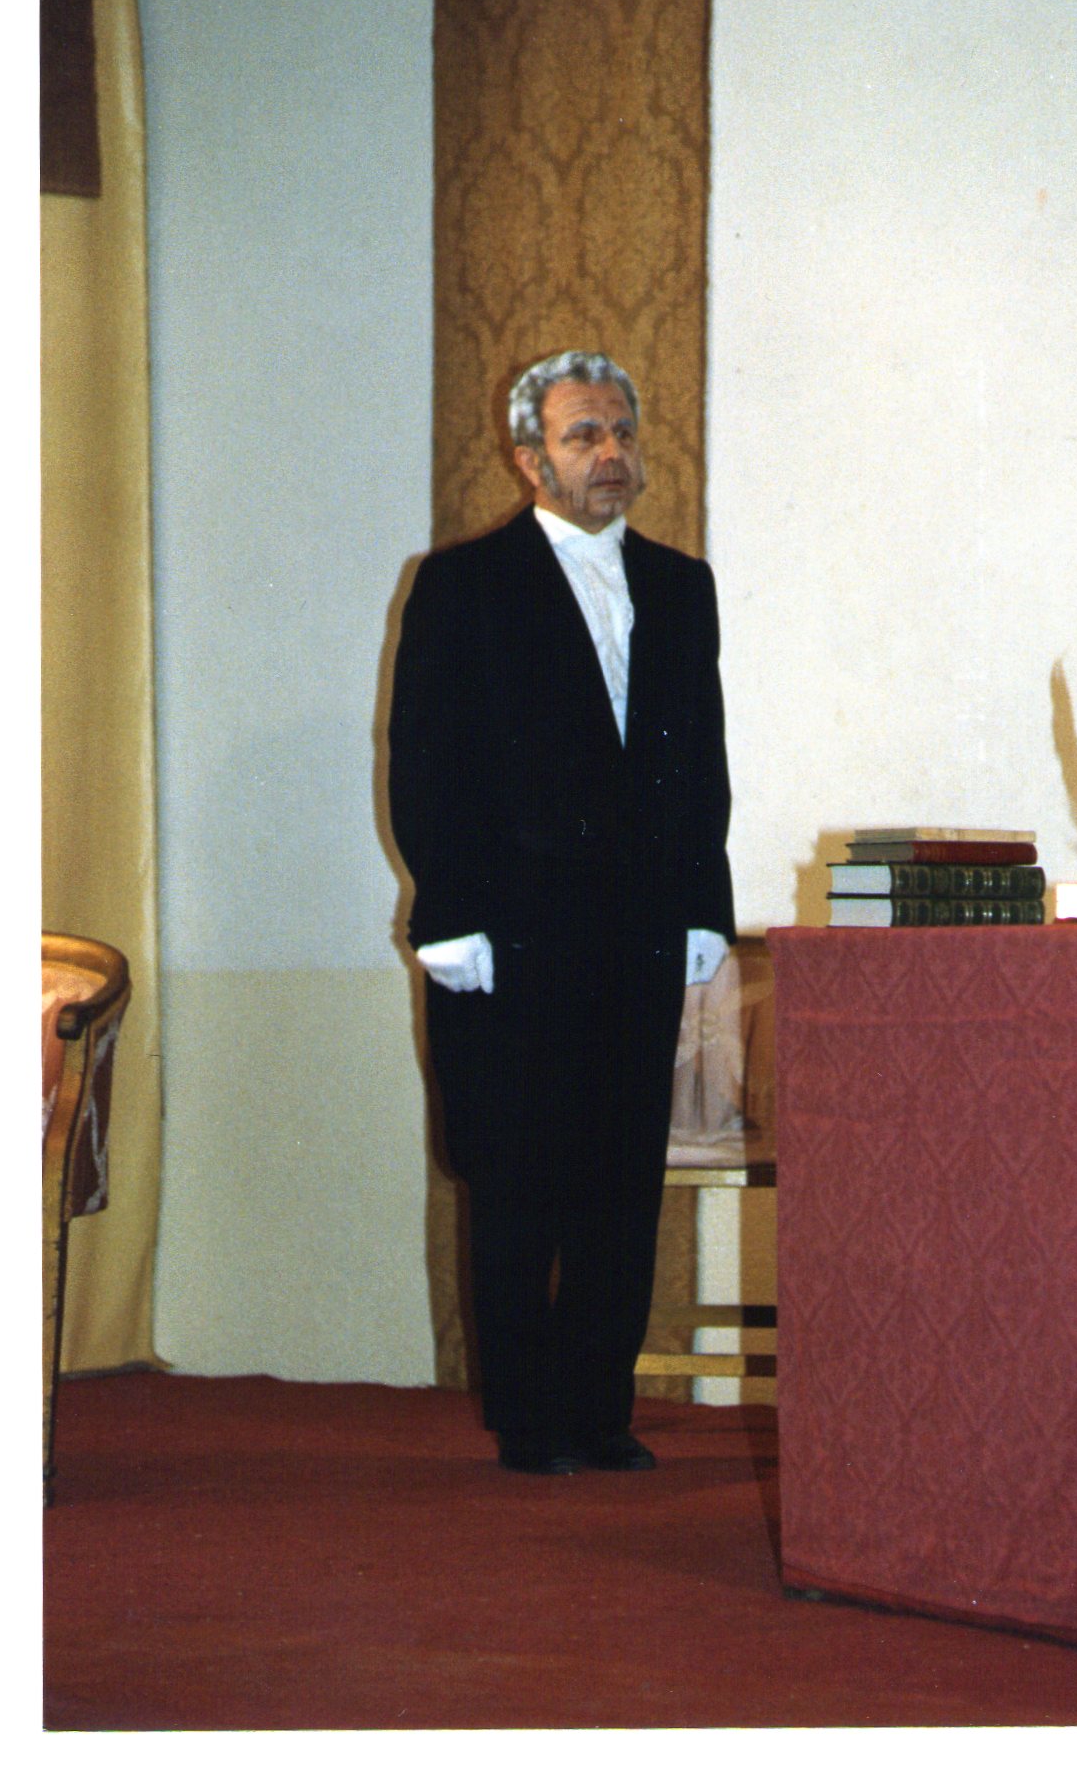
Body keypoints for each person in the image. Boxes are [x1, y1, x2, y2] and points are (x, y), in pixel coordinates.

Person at [388, 350, 734, 1475]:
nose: (611, 454)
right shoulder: (463, 585)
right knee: (517, 1176)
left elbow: (702, 762)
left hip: (638, 931)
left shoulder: (681, 587)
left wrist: (704, 908)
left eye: (622, 431)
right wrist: (447, 917)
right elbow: (425, 761)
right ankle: (531, 1421)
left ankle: (598, 1411)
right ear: (530, 459)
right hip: (511, 931)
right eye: (584, 435)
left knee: (619, 1181)